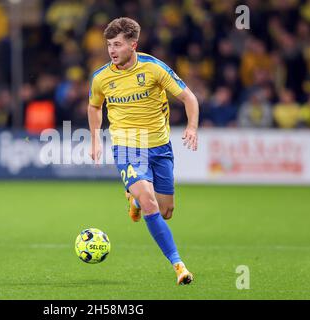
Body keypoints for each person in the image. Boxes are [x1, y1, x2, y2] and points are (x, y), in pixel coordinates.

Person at [87, 17, 199, 285]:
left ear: (133, 45)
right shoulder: (101, 77)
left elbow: (189, 98)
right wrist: (94, 139)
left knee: (165, 210)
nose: (111, 51)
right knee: (150, 203)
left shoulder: (154, 68)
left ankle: (134, 200)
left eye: (117, 44)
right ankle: (178, 265)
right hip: (127, 146)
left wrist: (192, 127)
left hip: (160, 147)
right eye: (109, 45)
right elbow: (94, 107)